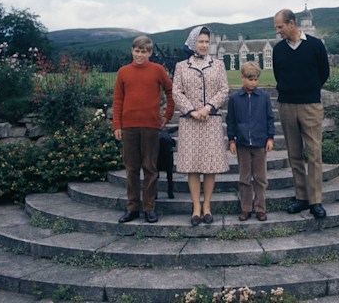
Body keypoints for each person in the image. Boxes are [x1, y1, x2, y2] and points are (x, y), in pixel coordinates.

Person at [272, 8, 330, 219]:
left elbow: (324, 73)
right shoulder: (278, 50)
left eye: (280, 27)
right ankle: (301, 197)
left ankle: (316, 201)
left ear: (292, 23)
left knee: (314, 153)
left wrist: (308, 90)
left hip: (311, 106)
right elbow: (279, 76)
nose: (278, 31)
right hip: (287, 106)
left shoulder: (315, 45)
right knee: (294, 154)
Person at [113, 35, 175, 224]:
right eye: (137, 51)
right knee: (131, 169)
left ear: (150, 53)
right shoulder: (123, 72)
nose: (140, 55)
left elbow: (170, 92)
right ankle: (132, 207)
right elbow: (118, 100)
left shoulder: (157, 70)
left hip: (151, 127)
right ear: (132, 51)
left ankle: (149, 207)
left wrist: (167, 115)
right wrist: (117, 125)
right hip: (129, 127)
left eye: (144, 52)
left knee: (150, 168)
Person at [172, 26, 230, 226]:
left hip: (211, 120)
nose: (204, 45)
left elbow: (224, 89)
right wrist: (192, 111)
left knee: (210, 166)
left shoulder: (218, 65)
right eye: (201, 41)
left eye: (207, 42)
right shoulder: (181, 66)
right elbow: (176, 92)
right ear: (193, 43)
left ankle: (207, 206)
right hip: (190, 122)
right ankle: (196, 207)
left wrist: (207, 108)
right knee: (193, 167)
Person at [226, 62, 275, 222]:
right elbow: (231, 121)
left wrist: (270, 138)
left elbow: (269, 119)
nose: (253, 82)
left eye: (256, 79)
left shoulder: (263, 98)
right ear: (242, 78)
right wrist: (231, 140)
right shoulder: (234, 99)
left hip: (260, 143)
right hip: (242, 144)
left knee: (261, 178)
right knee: (244, 178)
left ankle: (260, 208)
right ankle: (245, 208)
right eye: (250, 79)